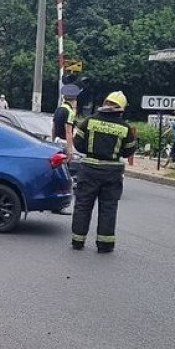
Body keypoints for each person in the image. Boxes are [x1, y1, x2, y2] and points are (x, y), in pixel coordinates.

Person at [71, 91, 137, 253]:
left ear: (105, 103)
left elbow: (77, 143)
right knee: (108, 207)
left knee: (83, 205)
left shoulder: (89, 121)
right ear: (121, 109)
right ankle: (105, 244)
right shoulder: (125, 128)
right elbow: (128, 152)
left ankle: (78, 241)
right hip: (112, 171)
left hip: (89, 169)